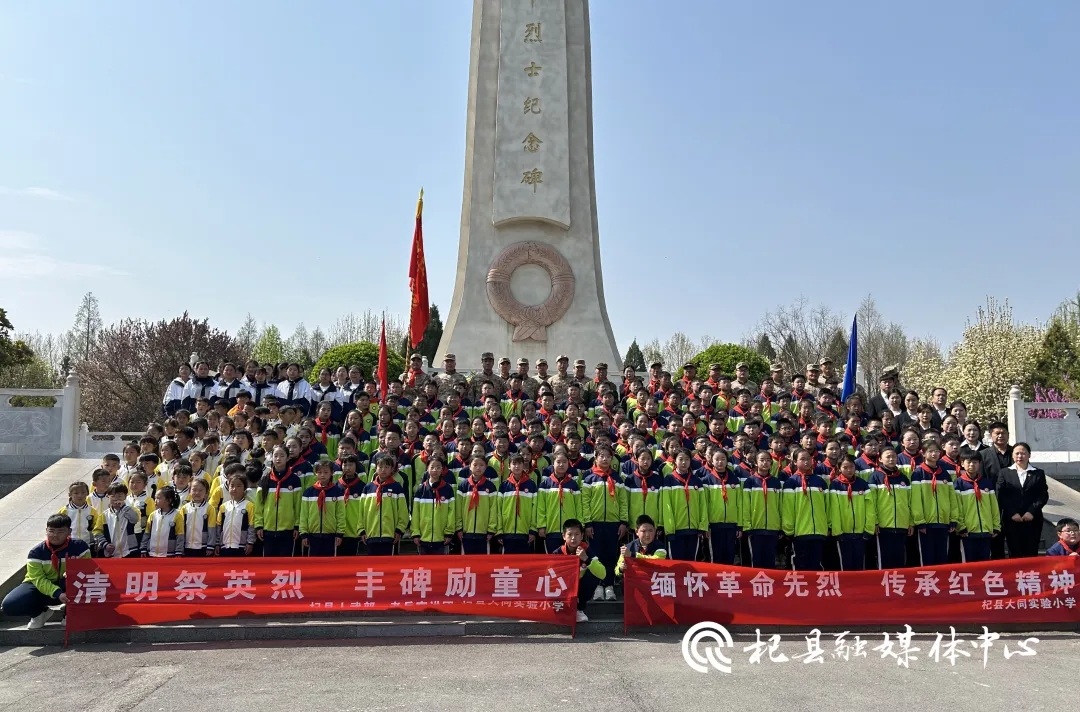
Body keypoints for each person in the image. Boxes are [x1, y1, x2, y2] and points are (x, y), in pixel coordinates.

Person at [1, 513, 91, 630]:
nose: (55, 535)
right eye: (51, 531)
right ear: (46, 531)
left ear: (69, 531)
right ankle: (39, 613)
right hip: (41, 587)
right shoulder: (36, 552)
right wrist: (57, 593)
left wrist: (74, 573)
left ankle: (70, 613)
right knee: (9, 605)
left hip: (69, 586)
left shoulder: (80, 547)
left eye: (60, 532)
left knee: (79, 581)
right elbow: (38, 579)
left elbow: (88, 570)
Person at [581, 445, 627, 600]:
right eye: (602, 456)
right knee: (596, 556)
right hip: (595, 524)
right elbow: (585, 503)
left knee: (610, 555)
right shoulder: (589, 478)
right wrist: (587, 524)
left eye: (608, 456)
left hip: (613, 524)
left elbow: (623, 502)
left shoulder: (617, 479)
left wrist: (623, 522)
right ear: (596, 457)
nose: (605, 459)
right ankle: (597, 587)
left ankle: (609, 586)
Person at [996, 442, 1048, 558]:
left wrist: (1031, 511)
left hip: (1032, 519)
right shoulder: (1004, 473)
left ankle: (1031, 575)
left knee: (1031, 551)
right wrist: (1012, 512)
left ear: (1029, 455)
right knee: (1014, 552)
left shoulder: (1038, 473)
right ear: (1013, 455)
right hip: (1012, 519)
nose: (1020, 456)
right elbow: (1001, 495)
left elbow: (1043, 495)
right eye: (1017, 453)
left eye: (1023, 453)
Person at [782, 450, 831, 571]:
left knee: (816, 564)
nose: (806, 462)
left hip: (819, 531)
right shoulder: (791, 482)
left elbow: (828, 506)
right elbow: (787, 508)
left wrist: (828, 526)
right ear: (794, 462)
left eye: (808, 459)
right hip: (799, 532)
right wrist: (789, 530)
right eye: (802, 459)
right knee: (799, 564)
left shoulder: (820, 482)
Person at [910, 440, 957, 566]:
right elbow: (915, 499)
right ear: (923, 454)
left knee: (942, 557)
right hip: (926, 523)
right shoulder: (918, 473)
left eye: (936, 451)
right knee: (927, 557)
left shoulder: (945, 474)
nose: (934, 454)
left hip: (943, 522)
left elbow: (952, 497)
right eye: (930, 451)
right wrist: (920, 521)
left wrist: (953, 518)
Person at [659, 449, 707, 564]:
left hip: (694, 530)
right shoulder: (669, 480)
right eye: (680, 459)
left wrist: (702, 526)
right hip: (676, 530)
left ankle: (689, 582)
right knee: (676, 563)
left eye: (687, 459)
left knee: (692, 562)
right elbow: (666, 506)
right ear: (674, 461)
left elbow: (702, 505)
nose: (684, 462)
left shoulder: (696, 481)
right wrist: (670, 529)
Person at [254, 445, 303, 557]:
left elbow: (298, 505)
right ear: (271, 457)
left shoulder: (294, 480)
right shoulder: (265, 478)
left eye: (282, 455)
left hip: (288, 530)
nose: (278, 458)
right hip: (268, 529)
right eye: (275, 455)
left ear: (287, 458)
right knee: (268, 563)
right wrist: (259, 526)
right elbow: (259, 504)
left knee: (285, 563)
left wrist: (297, 526)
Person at [869, 447, 913, 569]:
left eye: (893, 456)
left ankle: (897, 584)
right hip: (883, 526)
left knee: (899, 557)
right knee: (884, 558)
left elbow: (909, 502)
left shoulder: (903, 478)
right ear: (881, 459)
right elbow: (872, 502)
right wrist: (875, 522)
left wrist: (910, 522)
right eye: (888, 456)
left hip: (901, 525)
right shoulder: (875, 477)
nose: (891, 459)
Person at [827, 455, 874, 570]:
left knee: (860, 564)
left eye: (852, 467)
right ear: (839, 468)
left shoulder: (862, 484)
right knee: (845, 564)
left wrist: (868, 529)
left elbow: (870, 507)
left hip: (860, 533)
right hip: (843, 533)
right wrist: (837, 532)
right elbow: (834, 509)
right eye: (845, 467)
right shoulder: (835, 485)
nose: (849, 470)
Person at [556, 519, 607, 623]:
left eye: (577, 534)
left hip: (579, 588)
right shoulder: (558, 553)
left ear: (582, 535)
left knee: (593, 575)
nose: (573, 538)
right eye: (570, 534)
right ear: (563, 536)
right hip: (564, 587)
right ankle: (562, 609)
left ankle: (579, 609)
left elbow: (603, 574)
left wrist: (586, 559)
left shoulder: (587, 550)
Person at [953, 452, 1000, 562]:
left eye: (975, 462)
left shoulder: (986, 483)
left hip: (986, 531)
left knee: (984, 563)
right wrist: (961, 526)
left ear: (979, 464)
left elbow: (994, 506)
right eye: (968, 462)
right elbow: (957, 507)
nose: (971, 465)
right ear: (962, 464)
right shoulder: (958, 483)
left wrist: (996, 525)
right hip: (968, 532)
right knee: (970, 564)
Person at [741, 451, 784, 568]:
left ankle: (768, 584)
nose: (765, 463)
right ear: (755, 462)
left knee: (770, 559)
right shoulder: (750, 482)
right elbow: (745, 505)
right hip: (755, 527)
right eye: (762, 460)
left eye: (768, 460)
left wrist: (780, 526)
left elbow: (780, 505)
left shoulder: (776, 482)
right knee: (756, 560)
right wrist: (747, 525)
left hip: (772, 528)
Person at [361, 453, 409, 556]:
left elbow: (403, 511)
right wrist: (362, 530)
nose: (383, 470)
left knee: (388, 566)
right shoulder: (368, 488)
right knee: (373, 567)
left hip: (390, 535)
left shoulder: (396, 487)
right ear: (376, 468)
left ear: (392, 469)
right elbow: (361, 511)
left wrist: (399, 530)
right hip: (371, 534)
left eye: (387, 467)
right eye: (380, 467)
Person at [536, 451, 584, 554]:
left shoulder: (573, 484)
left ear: (568, 463)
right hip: (551, 529)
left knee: (570, 561)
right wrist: (541, 526)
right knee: (553, 561)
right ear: (553, 463)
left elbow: (579, 507)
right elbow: (540, 507)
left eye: (564, 462)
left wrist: (580, 525)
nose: (561, 464)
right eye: (558, 462)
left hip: (570, 532)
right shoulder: (545, 484)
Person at [701, 448, 741, 565]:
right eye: (717, 459)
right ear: (711, 461)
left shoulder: (734, 479)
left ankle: (727, 580)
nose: (720, 462)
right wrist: (705, 525)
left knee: (730, 554)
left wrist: (739, 525)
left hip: (731, 524)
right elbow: (704, 504)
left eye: (723, 459)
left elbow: (740, 503)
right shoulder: (706, 480)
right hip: (714, 524)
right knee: (715, 556)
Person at [411, 455, 458, 554]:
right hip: (423, 537)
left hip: (441, 538)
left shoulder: (448, 489)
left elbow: (451, 512)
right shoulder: (421, 489)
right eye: (432, 467)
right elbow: (415, 513)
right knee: (424, 567)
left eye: (438, 467)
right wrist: (416, 533)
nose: (435, 470)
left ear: (443, 469)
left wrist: (448, 533)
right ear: (427, 469)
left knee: (441, 567)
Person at [455, 455, 499, 554]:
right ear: (469, 466)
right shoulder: (463, 486)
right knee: (467, 564)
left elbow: (493, 509)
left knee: (482, 563)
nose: (478, 468)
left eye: (481, 465)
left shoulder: (490, 486)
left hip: (483, 532)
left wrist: (491, 529)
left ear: (486, 467)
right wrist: (459, 528)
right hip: (466, 532)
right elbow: (458, 508)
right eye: (475, 465)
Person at [300, 460, 345, 556]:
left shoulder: (337, 492)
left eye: (326, 472)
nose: (322, 475)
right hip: (312, 535)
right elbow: (304, 514)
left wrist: (339, 533)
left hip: (331, 535)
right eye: (319, 472)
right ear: (315, 473)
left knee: (329, 565)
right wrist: (304, 533)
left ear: (332, 473)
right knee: (312, 565)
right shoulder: (308, 492)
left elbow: (340, 513)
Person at [497, 454, 538, 554]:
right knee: (507, 565)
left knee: (524, 564)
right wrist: (499, 531)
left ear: (523, 465)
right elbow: (498, 509)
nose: (517, 466)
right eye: (514, 463)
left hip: (525, 532)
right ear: (509, 466)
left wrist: (532, 530)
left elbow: (535, 508)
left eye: (519, 463)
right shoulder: (504, 485)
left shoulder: (531, 484)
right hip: (507, 532)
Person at [94, 482, 140, 558]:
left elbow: (135, 519)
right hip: (111, 553)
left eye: (120, 496)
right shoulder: (104, 515)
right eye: (113, 496)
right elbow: (97, 531)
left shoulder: (131, 510)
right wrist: (105, 544)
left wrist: (124, 507)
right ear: (108, 497)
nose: (116, 498)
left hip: (129, 551)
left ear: (125, 496)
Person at [217, 475, 256, 556]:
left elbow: (251, 526)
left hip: (242, 546)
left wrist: (250, 542)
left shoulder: (249, 506)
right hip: (225, 545)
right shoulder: (223, 507)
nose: (234, 489)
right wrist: (217, 543)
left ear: (244, 488)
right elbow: (218, 526)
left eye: (238, 486)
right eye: (232, 485)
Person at [142, 486, 185, 557]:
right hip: (152, 553)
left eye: (158, 498)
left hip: (169, 554)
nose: (155, 500)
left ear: (169, 500)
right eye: (155, 498)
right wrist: (143, 547)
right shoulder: (153, 515)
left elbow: (180, 535)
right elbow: (147, 533)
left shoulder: (177, 515)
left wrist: (179, 551)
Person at [181, 477, 217, 557]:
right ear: (189, 491)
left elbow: (212, 528)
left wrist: (210, 546)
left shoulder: (209, 508)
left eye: (201, 490)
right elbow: (181, 529)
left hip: (203, 547)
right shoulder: (184, 508)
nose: (197, 492)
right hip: (187, 546)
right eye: (194, 489)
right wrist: (180, 546)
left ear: (206, 492)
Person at [60, 480, 99, 551]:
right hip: (68, 544)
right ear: (70, 494)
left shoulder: (92, 511)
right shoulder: (64, 511)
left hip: (87, 544)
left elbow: (96, 528)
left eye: (83, 492)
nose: (80, 495)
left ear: (87, 493)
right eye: (76, 493)